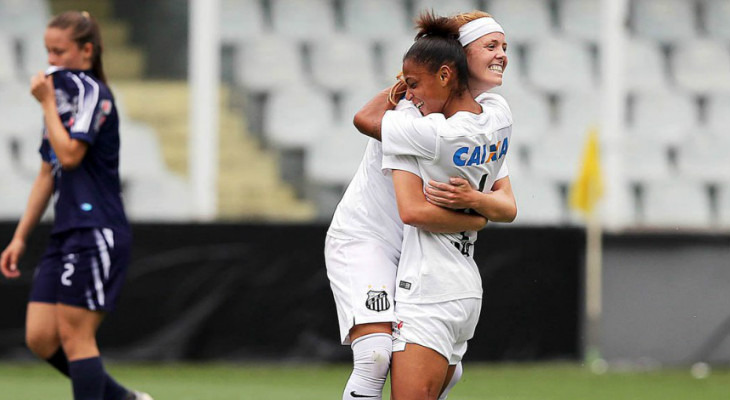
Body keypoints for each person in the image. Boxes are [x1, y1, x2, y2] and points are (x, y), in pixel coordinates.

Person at [326, 9, 515, 400]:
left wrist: (476, 203)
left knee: (422, 364)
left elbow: (507, 204)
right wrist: (476, 217)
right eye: (490, 45)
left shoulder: (484, 121)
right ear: (457, 59)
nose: (501, 55)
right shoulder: (412, 115)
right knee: (376, 357)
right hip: (369, 237)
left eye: (503, 47)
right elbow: (366, 120)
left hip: (419, 248)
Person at [0, 11, 152, 400]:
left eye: (59, 51)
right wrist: (19, 238)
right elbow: (47, 173)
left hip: (96, 228)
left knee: (74, 336)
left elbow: (69, 156)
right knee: (39, 337)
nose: (50, 61)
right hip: (66, 231)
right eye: (47, 51)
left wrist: (47, 104)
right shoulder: (62, 100)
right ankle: (125, 399)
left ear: (86, 51)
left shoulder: (91, 93)